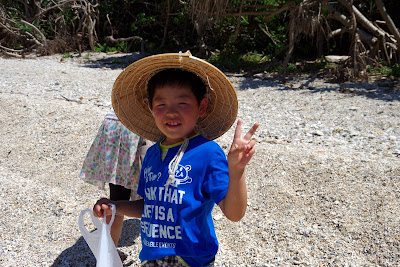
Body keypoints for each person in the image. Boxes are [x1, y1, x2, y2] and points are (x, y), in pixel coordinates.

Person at [93, 51, 259, 266]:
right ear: (150, 108)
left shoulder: (208, 152)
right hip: (151, 257)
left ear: (202, 107)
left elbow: (234, 213)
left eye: (182, 103)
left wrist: (236, 171)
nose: (171, 112)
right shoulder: (152, 154)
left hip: (191, 259)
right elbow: (147, 207)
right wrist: (114, 205)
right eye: (161, 104)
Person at [80, 107, 152, 250]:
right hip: (141, 127)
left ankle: (108, 254)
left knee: (117, 197)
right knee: (154, 196)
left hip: (116, 123)